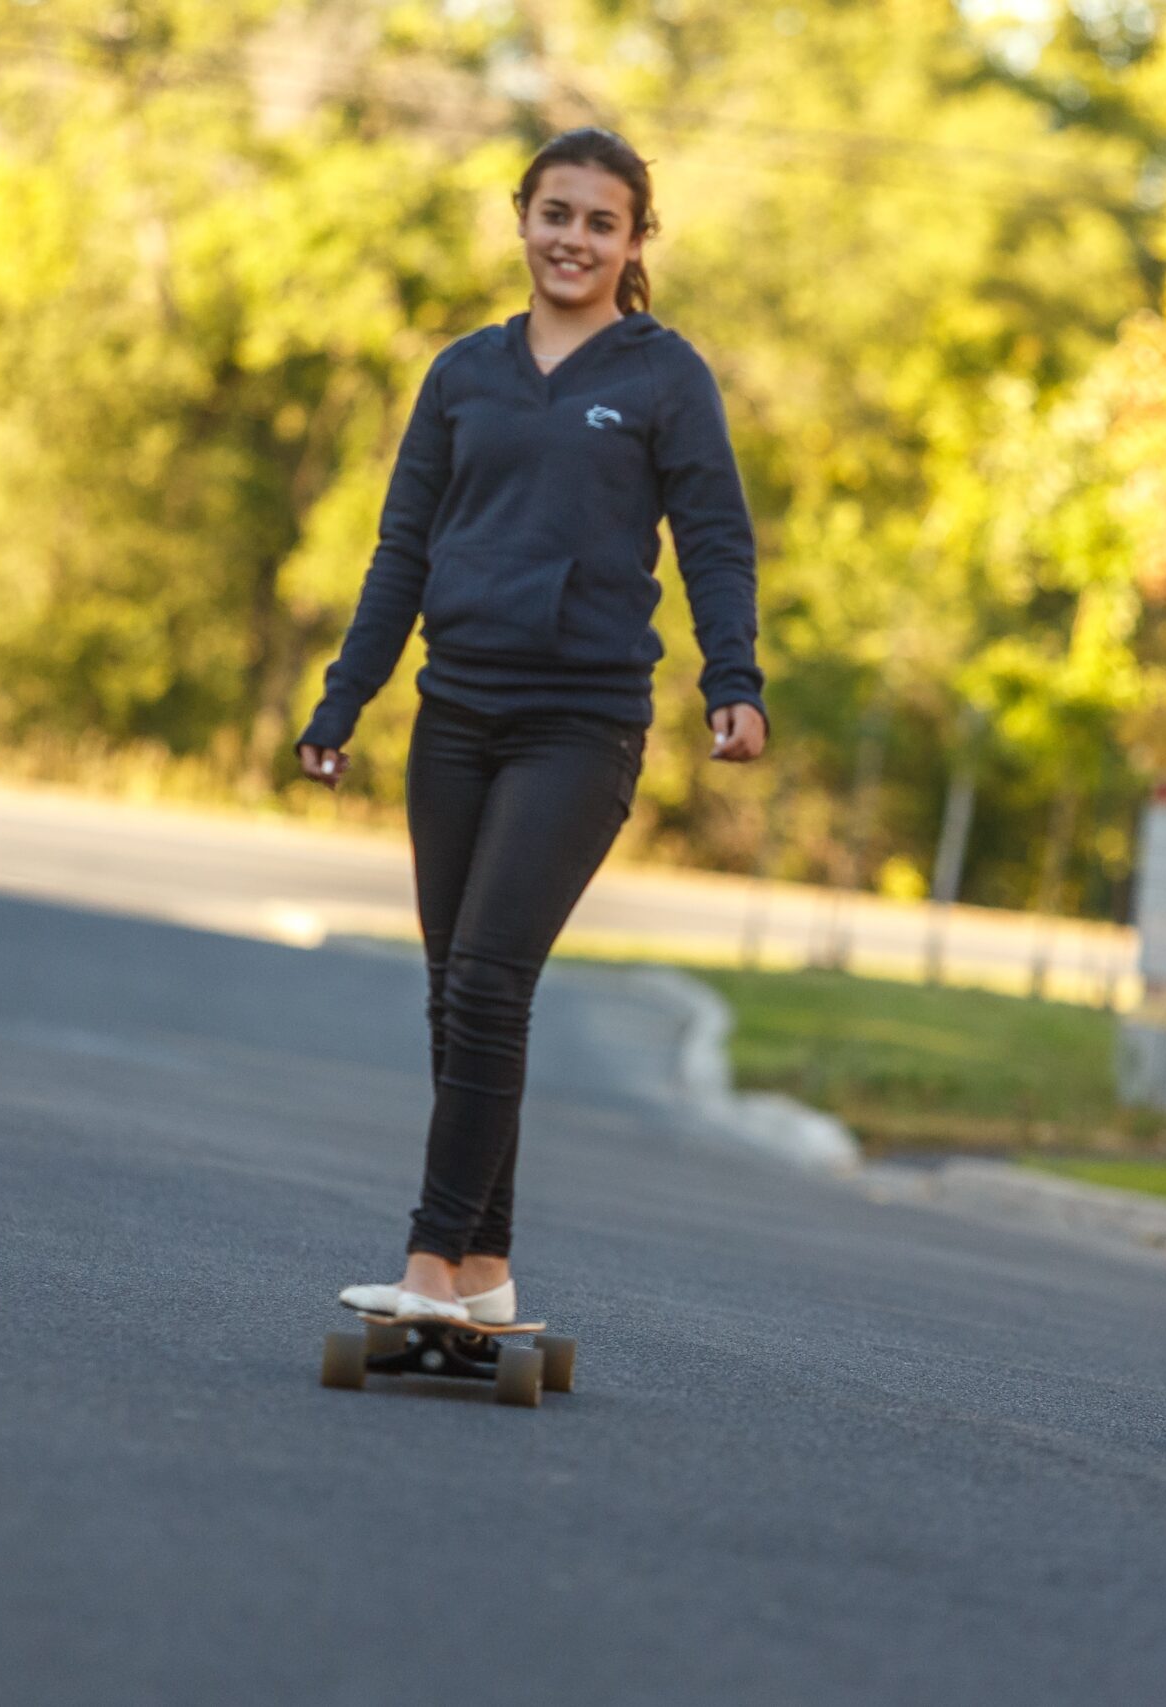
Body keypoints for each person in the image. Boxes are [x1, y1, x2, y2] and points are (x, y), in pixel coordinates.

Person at [299, 129, 769, 1326]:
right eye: (554, 213)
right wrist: (344, 697)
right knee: (454, 992)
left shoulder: (664, 379)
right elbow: (401, 547)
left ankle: (422, 1269)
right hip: (455, 711)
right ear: (521, 219)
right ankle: (484, 1271)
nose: (573, 238)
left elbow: (714, 537)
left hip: (581, 722)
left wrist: (734, 677)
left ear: (633, 242)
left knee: (490, 981)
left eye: (599, 222)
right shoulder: (464, 373)